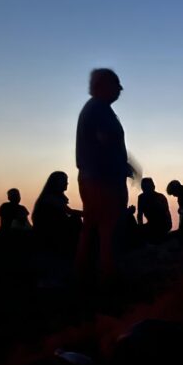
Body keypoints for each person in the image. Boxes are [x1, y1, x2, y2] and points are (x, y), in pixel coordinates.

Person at [75, 68, 132, 284]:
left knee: (91, 227)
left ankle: (85, 276)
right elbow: (107, 143)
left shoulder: (96, 109)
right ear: (102, 86)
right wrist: (122, 165)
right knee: (109, 229)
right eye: (116, 84)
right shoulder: (99, 110)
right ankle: (109, 279)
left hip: (94, 177)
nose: (120, 89)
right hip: (103, 180)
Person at [32, 171, 82, 252]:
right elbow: (69, 211)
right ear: (56, 182)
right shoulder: (50, 197)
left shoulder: (54, 197)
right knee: (75, 219)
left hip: (55, 227)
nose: (67, 183)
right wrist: (90, 214)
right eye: (64, 180)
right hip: (50, 230)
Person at [136, 177, 172, 243]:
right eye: (144, 187)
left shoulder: (160, 197)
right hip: (150, 225)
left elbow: (166, 216)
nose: (146, 190)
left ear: (153, 187)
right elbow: (139, 215)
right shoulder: (141, 198)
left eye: (148, 187)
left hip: (162, 225)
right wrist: (140, 227)